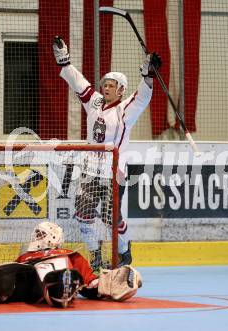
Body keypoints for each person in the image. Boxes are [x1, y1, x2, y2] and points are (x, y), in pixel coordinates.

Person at [52, 36, 162, 269]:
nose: (106, 87)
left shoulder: (125, 110)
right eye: (105, 84)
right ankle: (95, 255)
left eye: (112, 85)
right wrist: (64, 62)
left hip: (114, 172)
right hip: (90, 170)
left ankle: (124, 251)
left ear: (121, 90)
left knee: (111, 218)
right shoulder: (94, 102)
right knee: (83, 214)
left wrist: (147, 75)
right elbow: (79, 83)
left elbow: (143, 97)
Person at [0, 222, 142, 308]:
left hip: (53, 281)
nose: (37, 237)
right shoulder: (25, 257)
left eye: (41, 234)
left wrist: (108, 284)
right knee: (4, 274)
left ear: (52, 238)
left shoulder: (70, 255)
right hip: (30, 286)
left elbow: (90, 282)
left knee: (13, 271)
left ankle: (61, 287)